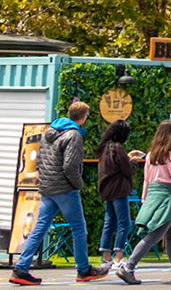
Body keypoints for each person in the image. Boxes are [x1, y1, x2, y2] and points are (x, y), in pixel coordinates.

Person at [11, 100, 107, 285]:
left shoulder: (50, 132)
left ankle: (21, 268)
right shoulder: (73, 135)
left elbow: (40, 160)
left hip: (48, 187)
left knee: (40, 228)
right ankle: (83, 268)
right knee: (78, 228)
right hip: (65, 188)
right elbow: (70, 165)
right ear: (84, 117)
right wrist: (78, 184)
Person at [112, 122, 171, 283]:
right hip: (166, 198)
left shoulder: (152, 154)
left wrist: (145, 199)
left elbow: (147, 179)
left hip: (154, 195)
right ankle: (129, 267)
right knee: (155, 235)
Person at [97, 121, 139, 265]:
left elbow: (114, 165)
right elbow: (127, 169)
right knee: (124, 223)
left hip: (107, 190)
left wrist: (127, 157)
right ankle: (118, 256)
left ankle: (106, 256)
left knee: (109, 222)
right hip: (119, 190)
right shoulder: (118, 147)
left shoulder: (104, 148)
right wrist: (133, 161)